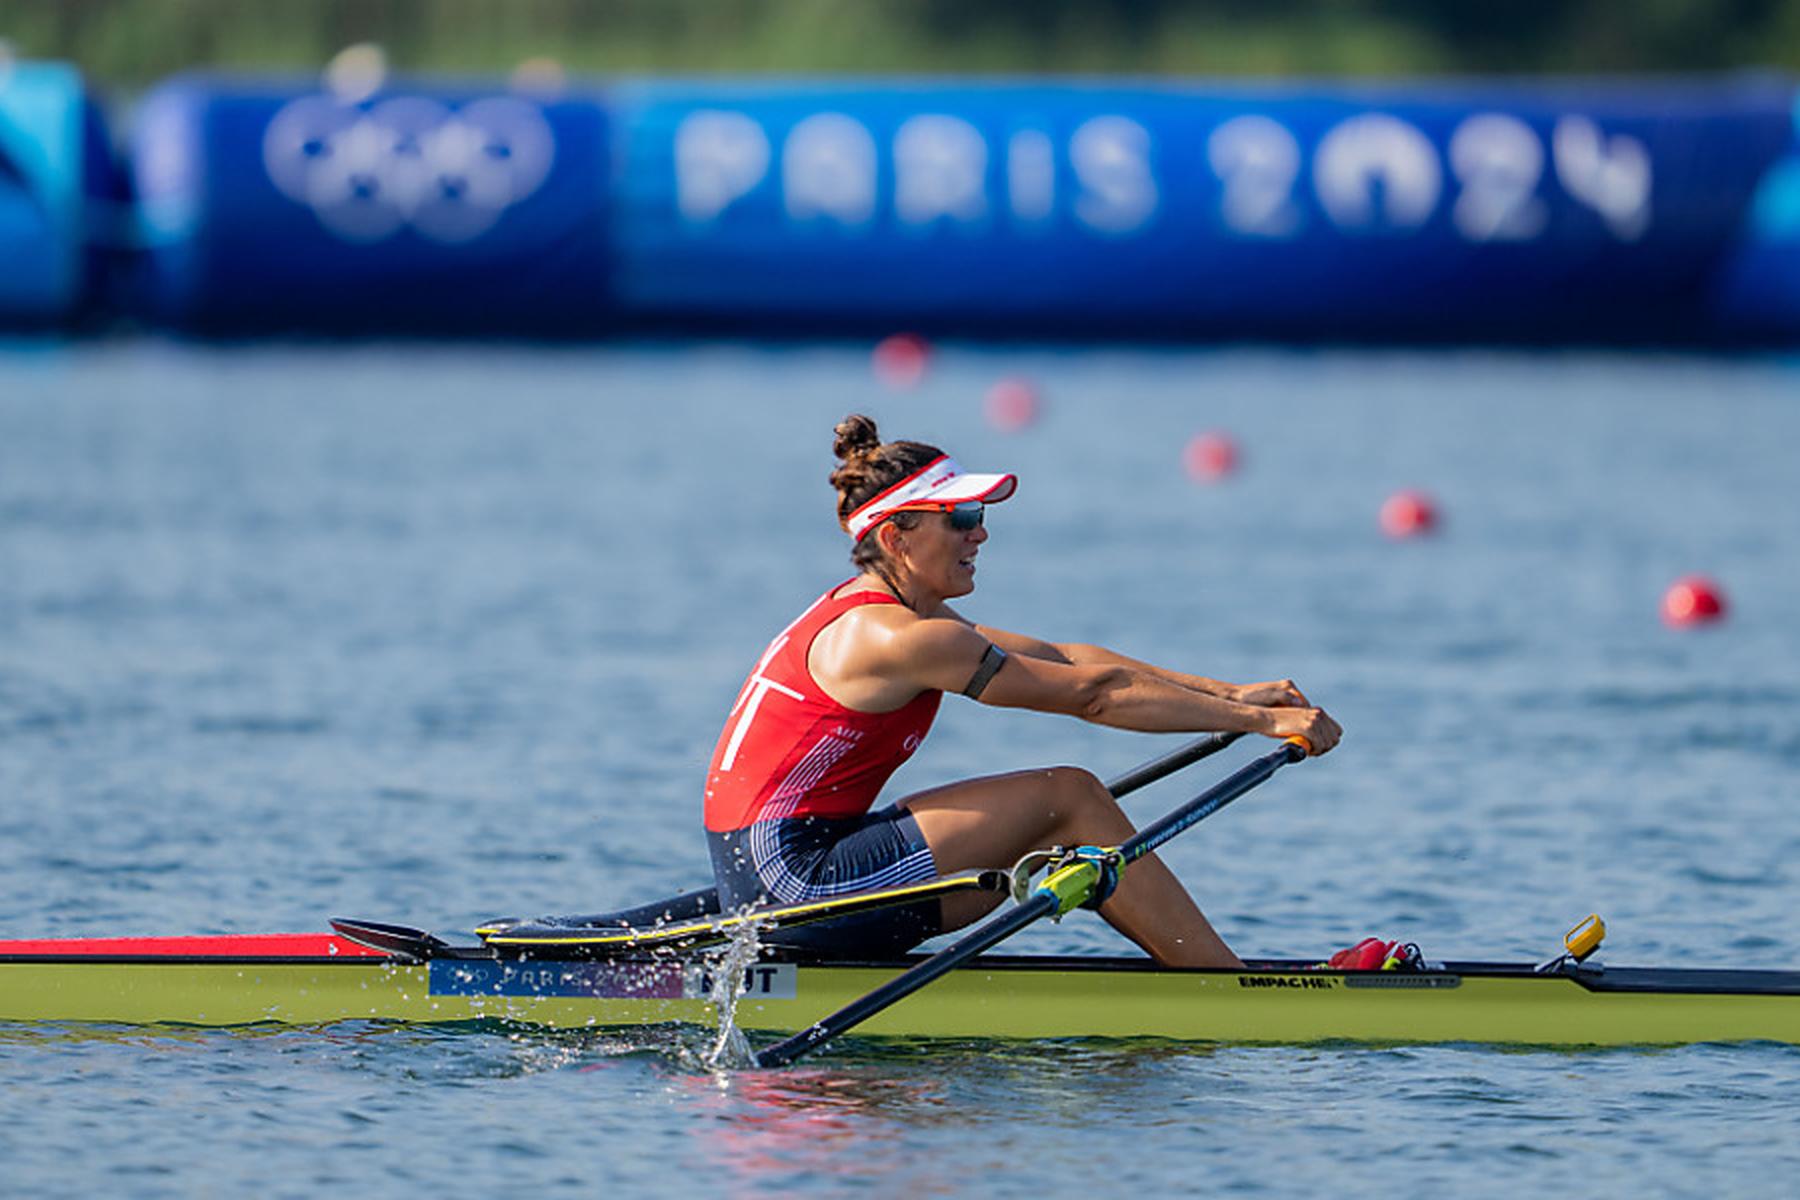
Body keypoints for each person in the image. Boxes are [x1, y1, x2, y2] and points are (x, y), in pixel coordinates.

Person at [702, 414, 1341, 967]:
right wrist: (1259, 726)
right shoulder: (898, 637)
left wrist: (1234, 696)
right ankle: (1227, 989)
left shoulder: (891, 615)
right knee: (1069, 796)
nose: (980, 533)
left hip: (770, 872)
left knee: (1054, 811)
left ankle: (1202, 967)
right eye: (961, 518)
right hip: (794, 884)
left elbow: (1066, 658)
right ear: (897, 537)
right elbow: (1094, 696)